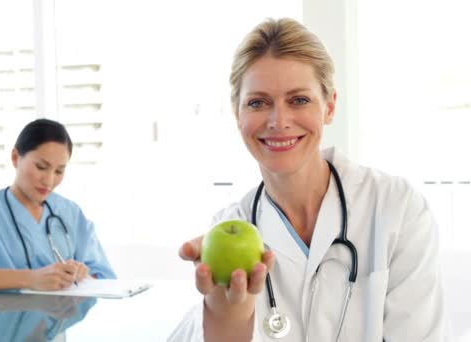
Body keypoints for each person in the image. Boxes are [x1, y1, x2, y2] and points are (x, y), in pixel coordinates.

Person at [168, 18, 447, 341]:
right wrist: (225, 320)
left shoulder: (396, 207)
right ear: (237, 114)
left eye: (299, 100)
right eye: (258, 103)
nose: (278, 121)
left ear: (329, 106)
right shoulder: (229, 225)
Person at [0, 118, 116, 291]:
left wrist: (80, 275)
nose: (49, 180)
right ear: (15, 157)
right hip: (2, 320)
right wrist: (32, 278)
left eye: (59, 171)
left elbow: (105, 279)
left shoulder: (71, 213)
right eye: (41, 167)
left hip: (62, 320)